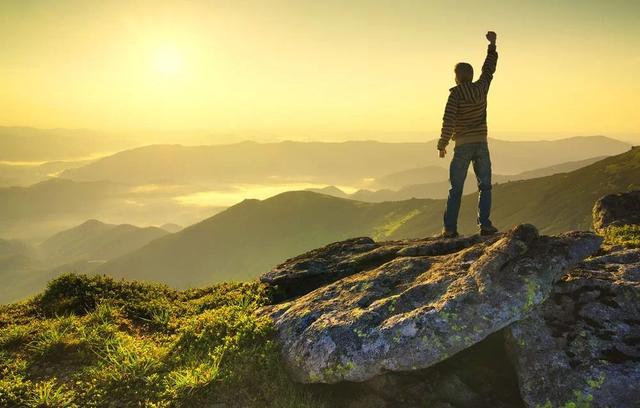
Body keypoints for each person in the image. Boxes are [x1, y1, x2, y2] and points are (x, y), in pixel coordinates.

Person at [437, 31, 499, 238]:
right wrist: (492, 45)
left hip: (462, 145)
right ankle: (485, 225)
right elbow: (489, 69)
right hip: (481, 144)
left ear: (457, 76)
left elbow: (448, 120)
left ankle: (450, 229)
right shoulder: (482, 88)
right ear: (471, 76)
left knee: (456, 188)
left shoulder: (455, 94)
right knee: (485, 186)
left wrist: (442, 143)